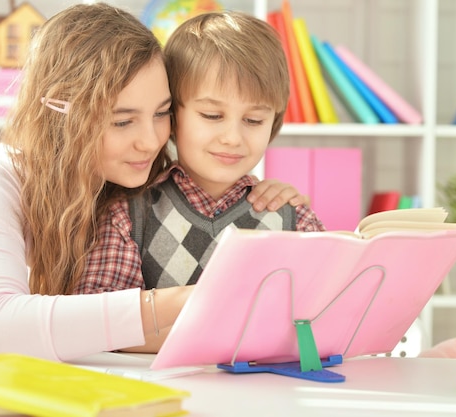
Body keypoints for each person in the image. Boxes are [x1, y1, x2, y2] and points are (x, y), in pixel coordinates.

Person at [0, 3, 307, 361]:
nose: (151, 142)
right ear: (60, 114)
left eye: (161, 113)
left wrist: (262, 199)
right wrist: (203, 296)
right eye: (122, 121)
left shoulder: (144, 186)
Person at [74, 11, 325, 352]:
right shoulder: (127, 216)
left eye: (253, 119)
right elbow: (98, 321)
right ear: (172, 117)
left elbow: (327, 319)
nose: (232, 137)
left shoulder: (293, 219)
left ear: (274, 123)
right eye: (212, 116)